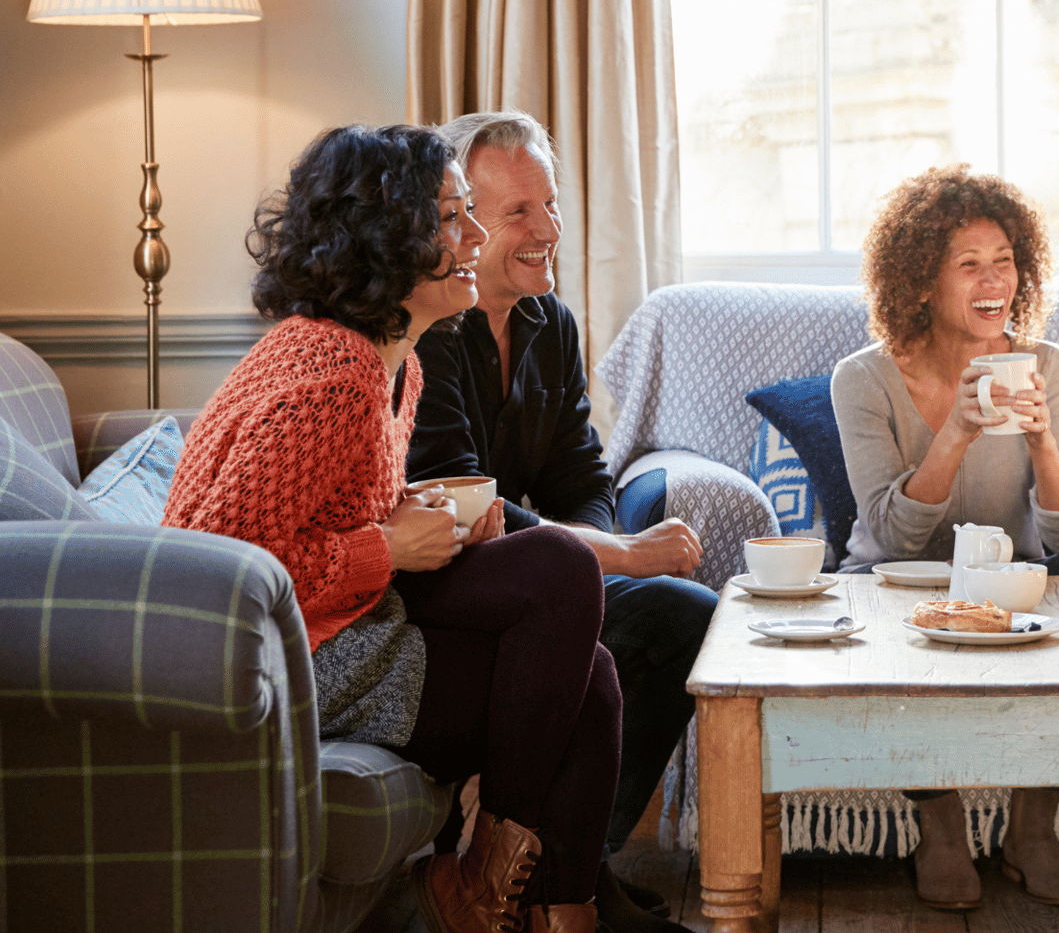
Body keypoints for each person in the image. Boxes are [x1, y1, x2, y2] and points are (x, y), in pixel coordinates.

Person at [162, 124, 618, 933]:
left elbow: (325, 503)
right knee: (562, 582)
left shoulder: (391, 362)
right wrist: (386, 545)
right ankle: (483, 886)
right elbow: (220, 571)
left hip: (353, 624)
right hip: (302, 660)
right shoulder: (333, 379)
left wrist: (410, 512)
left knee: (589, 654)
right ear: (389, 238)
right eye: (452, 218)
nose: (474, 237)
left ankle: (548, 912)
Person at [406, 111, 711, 933]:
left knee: (690, 618)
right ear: (465, 222)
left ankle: (575, 865)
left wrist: (594, 557)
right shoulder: (428, 328)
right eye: (516, 214)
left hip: (551, 574)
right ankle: (537, 884)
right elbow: (462, 505)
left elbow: (586, 475)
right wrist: (617, 553)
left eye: (551, 205)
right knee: (583, 604)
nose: (546, 230)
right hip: (456, 586)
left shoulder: (554, 324)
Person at [832, 164, 1059, 911]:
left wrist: (1044, 441)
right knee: (882, 602)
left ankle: (1031, 828)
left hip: (1003, 577)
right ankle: (943, 828)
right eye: (969, 266)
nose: (995, 282)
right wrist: (955, 431)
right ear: (921, 283)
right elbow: (890, 536)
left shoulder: (1049, 368)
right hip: (892, 579)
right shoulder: (862, 379)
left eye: (1005, 262)